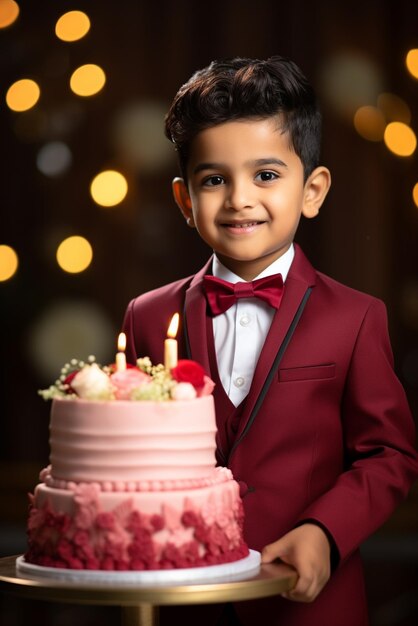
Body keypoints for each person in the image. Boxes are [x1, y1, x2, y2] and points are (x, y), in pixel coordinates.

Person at [122, 56, 418, 626]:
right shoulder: (147, 316)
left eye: (265, 175)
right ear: (186, 201)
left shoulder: (357, 318)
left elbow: (390, 454)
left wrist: (324, 532)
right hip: (185, 600)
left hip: (309, 604)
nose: (238, 198)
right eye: (214, 179)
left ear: (312, 189)